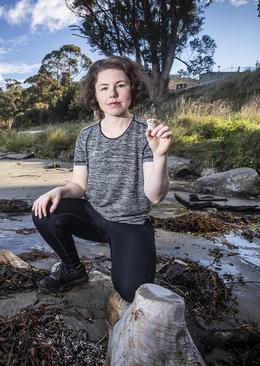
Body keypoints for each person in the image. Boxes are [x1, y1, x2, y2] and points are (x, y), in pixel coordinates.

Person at [31, 55, 172, 302]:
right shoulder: (86, 136)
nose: (113, 94)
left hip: (131, 224)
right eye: (104, 88)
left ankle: (132, 253)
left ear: (132, 88)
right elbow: (78, 186)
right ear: (94, 95)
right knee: (45, 210)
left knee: (132, 292)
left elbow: (156, 196)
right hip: (94, 216)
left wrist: (160, 155)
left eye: (120, 85)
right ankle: (73, 270)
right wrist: (58, 191)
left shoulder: (146, 133)